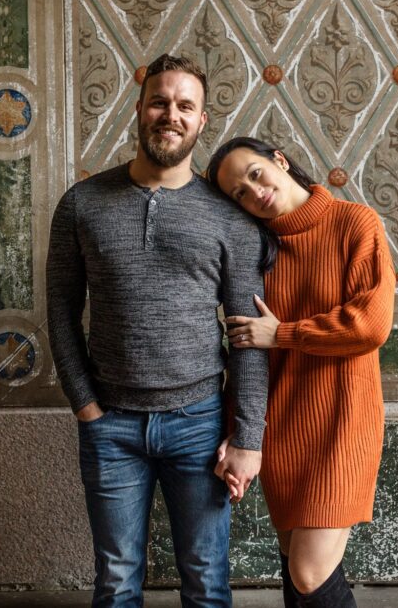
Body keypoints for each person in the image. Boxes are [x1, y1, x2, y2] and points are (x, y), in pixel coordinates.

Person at [46, 55, 268, 608]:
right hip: (110, 426)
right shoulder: (81, 204)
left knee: (206, 581)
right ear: (139, 109)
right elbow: (60, 309)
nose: (170, 114)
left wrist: (247, 437)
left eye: (184, 106)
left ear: (200, 120)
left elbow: (246, 335)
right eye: (159, 101)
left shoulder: (228, 218)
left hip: (199, 423)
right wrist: (85, 406)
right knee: (117, 582)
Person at [206, 137, 396, 608]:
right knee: (297, 570)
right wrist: (237, 430)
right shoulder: (258, 251)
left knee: (309, 573)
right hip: (285, 428)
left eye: (253, 174)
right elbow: (247, 353)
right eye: (239, 194)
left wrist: (284, 333)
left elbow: (371, 325)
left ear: (280, 161)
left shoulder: (355, 223)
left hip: (341, 422)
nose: (253, 192)